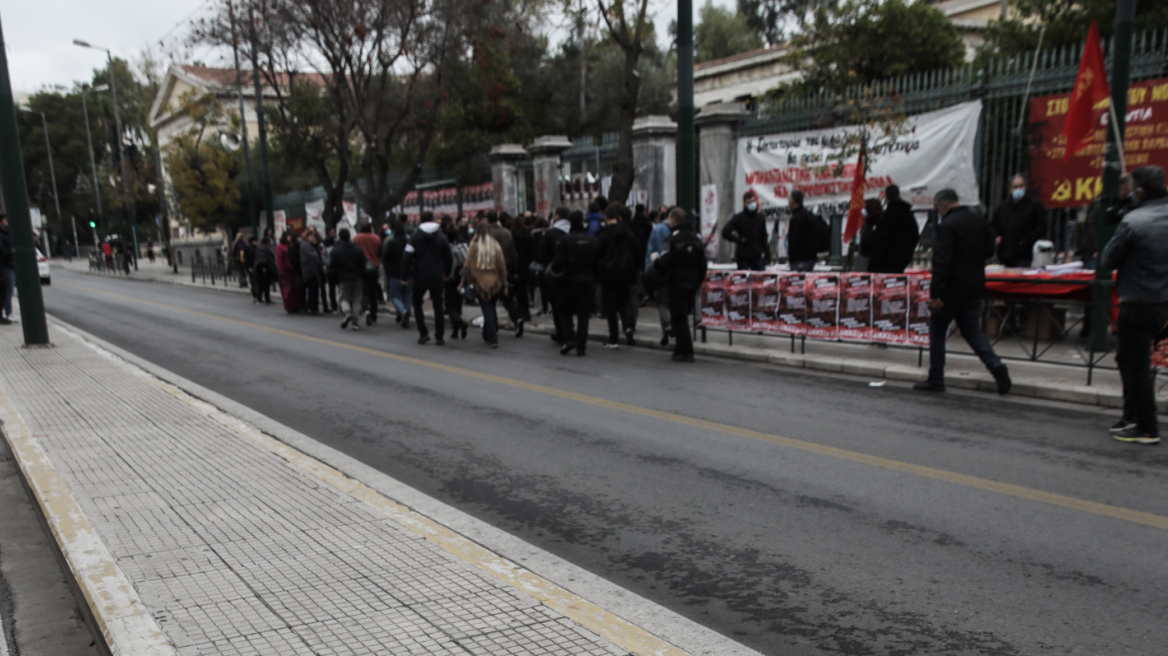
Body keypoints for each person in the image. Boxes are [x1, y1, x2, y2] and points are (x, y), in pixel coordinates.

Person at [913, 189, 1011, 395]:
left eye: (936, 209)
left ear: (943, 205)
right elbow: (988, 251)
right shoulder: (978, 221)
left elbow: (942, 261)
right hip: (974, 286)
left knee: (938, 330)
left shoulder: (947, 226)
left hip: (951, 288)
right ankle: (995, 366)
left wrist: (936, 294)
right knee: (972, 330)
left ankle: (936, 377)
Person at [1100, 166, 1168, 445]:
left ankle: (1147, 425)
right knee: (1128, 360)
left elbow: (1108, 260)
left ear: (1139, 192)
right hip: (1164, 303)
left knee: (1135, 365)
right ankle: (1131, 416)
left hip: (1138, 302)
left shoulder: (1134, 220)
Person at [652, 207, 708, 362]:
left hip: (677, 282)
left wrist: (655, 263)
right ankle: (679, 348)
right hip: (692, 282)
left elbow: (665, 262)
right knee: (682, 317)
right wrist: (698, 281)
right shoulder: (696, 239)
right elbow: (703, 263)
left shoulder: (671, 240)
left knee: (679, 317)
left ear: (673, 220)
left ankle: (686, 350)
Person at [551, 212, 599, 356]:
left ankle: (569, 338)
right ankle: (581, 345)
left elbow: (558, 264)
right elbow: (597, 263)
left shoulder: (564, 240)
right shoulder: (592, 240)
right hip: (587, 281)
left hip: (569, 282)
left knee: (564, 311)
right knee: (583, 315)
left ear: (570, 223)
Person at [402, 215, 453, 345]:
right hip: (437, 275)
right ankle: (439, 336)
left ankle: (423, 332)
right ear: (432, 220)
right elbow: (449, 257)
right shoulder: (441, 237)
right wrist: (447, 272)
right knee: (438, 306)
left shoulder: (414, 237)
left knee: (417, 303)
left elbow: (407, 256)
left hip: (419, 276)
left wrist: (404, 276)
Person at [596, 203, 640, 348]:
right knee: (624, 303)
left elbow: (597, 254)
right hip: (626, 273)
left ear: (606, 216)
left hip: (609, 274)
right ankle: (628, 327)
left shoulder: (603, 234)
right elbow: (637, 250)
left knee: (610, 308)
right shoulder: (628, 233)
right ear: (618, 217)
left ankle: (613, 338)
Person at [462, 223, 509, 348]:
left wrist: (463, 281)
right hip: (495, 283)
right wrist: (505, 284)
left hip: (480, 283)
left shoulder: (474, 246)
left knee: (487, 309)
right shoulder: (495, 245)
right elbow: (502, 266)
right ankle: (487, 334)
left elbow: (467, 266)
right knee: (491, 308)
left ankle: (492, 337)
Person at [992, 175, 1047, 268]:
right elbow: (993, 225)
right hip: (1005, 254)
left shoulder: (1035, 205)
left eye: (1021, 186)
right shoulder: (1003, 207)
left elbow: (1042, 226)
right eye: (1015, 187)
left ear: (1025, 187)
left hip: (1025, 254)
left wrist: (1026, 240)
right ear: (1010, 189)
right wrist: (996, 236)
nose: (1018, 189)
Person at [537, 208, 573, 345]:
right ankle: (570, 331)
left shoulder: (549, 234)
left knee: (558, 306)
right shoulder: (573, 232)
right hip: (572, 274)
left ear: (556, 216)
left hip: (554, 275)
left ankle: (563, 332)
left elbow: (540, 255)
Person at [868, 185, 920, 274]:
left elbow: (880, 244)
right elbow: (915, 237)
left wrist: (873, 266)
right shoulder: (909, 216)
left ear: (886, 198)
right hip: (902, 262)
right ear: (899, 195)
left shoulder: (885, 217)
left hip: (883, 266)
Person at [487, 212, 524, 336]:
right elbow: (514, 253)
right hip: (505, 267)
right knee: (507, 296)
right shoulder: (506, 233)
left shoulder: (485, 234)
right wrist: (513, 269)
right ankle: (516, 319)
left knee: (490, 299)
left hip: (490, 268)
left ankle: (493, 325)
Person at [329, 228, 367, 330]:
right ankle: (355, 322)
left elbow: (332, 265)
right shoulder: (358, 249)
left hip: (344, 278)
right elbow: (364, 262)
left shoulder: (337, 250)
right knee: (356, 299)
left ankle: (347, 312)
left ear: (340, 238)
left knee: (343, 298)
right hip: (358, 277)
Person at [645, 209, 673, 345]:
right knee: (674, 301)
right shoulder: (682, 231)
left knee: (662, 301)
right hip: (675, 273)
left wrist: (648, 268)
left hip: (660, 269)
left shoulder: (657, 229)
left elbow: (650, 250)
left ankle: (666, 325)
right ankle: (674, 326)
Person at [722, 191, 769, 271]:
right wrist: (738, 239)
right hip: (743, 257)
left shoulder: (760, 218)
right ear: (744, 204)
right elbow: (725, 232)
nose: (752, 204)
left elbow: (764, 237)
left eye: (753, 201)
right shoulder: (739, 218)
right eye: (749, 202)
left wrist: (767, 255)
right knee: (742, 281)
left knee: (760, 279)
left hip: (757, 256)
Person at [381, 221, 412, 328]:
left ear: (394, 231)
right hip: (409, 272)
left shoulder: (392, 243)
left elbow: (386, 257)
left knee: (394, 296)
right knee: (407, 295)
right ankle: (407, 312)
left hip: (395, 273)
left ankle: (402, 311)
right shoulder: (409, 242)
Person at [786, 190, 826, 272]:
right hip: (811, 258)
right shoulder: (808, 215)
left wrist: (790, 258)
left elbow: (794, 241)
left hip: (799, 261)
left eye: (789, 199)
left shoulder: (796, 219)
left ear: (793, 201)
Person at [353, 223, 383, 325]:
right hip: (374, 266)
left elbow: (354, 251)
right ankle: (374, 314)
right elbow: (380, 251)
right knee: (373, 292)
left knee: (363, 291)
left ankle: (366, 309)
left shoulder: (356, 238)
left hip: (361, 267)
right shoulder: (376, 238)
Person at [444, 222, 470, 339]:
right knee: (458, 304)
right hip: (461, 278)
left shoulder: (446, 246)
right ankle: (456, 331)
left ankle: (459, 323)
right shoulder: (462, 245)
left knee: (449, 306)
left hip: (449, 278)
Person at [511, 217, 536, 322]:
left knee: (520, 290)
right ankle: (527, 312)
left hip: (518, 266)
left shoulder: (513, 237)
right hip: (528, 265)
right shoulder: (529, 235)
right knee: (529, 287)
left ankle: (522, 311)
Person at [275, 232, 299, 314]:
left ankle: (295, 305)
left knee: (294, 289)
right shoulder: (280, 247)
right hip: (285, 271)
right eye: (288, 236)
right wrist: (281, 272)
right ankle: (289, 307)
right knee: (287, 290)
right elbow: (279, 260)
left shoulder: (291, 246)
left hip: (292, 270)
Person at [299, 231, 322, 315]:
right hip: (310, 271)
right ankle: (313, 308)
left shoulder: (308, 245)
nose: (313, 238)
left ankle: (312, 307)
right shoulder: (305, 245)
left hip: (312, 271)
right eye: (311, 236)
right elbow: (313, 256)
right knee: (313, 291)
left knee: (314, 291)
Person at [253, 237, 276, 304]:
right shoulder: (262, 248)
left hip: (262, 269)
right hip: (263, 269)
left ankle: (263, 298)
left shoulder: (261, 247)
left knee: (264, 285)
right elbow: (262, 258)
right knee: (263, 285)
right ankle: (263, 298)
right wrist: (264, 267)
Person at [0, 214, 13, 324]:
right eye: (5, 220)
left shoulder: (11, 233)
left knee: (9, 290)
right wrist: (13, 250)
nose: (7, 222)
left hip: (12, 265)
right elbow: (2, 251)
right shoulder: (2, 235)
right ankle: (8, 313)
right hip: (6, 266)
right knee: (7, 291)